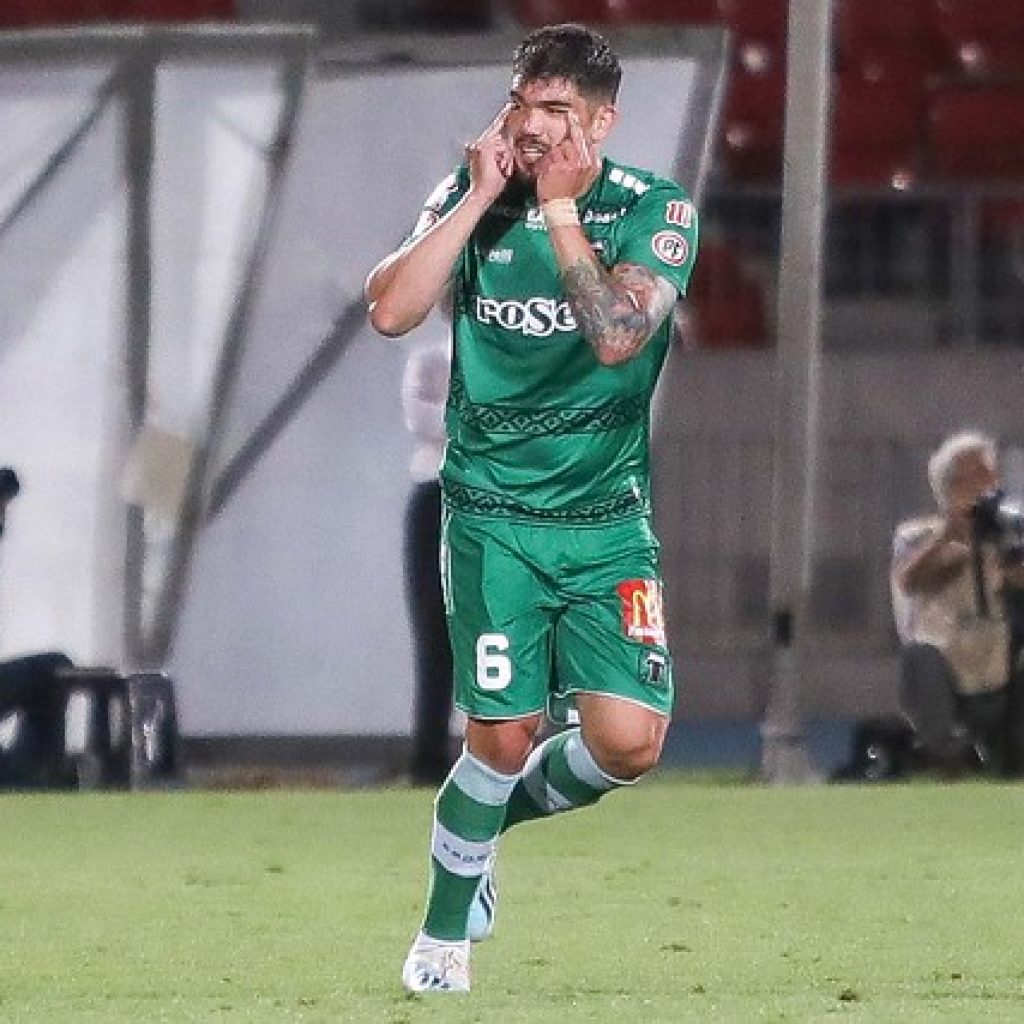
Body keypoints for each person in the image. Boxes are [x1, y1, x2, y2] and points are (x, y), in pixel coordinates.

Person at [365, 23, 699, 993]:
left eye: (556, 109)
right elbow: (390, 310)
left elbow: (617, 335)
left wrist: (558, 214)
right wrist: (477, 198)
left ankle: (475, 826)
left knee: (629, 743)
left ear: (602, 121)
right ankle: (441, 945)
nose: (533, 126)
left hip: (606, 522)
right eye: (521, 104)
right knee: (502, 735)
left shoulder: (653, 209)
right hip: (492, 515)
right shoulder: (474, 195)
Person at [891, 430, 1024, 776]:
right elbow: (909, 580)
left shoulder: (1007, 535)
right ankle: (947, 762)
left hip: (998, 668)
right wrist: (950, 535)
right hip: (947, 670)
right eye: (972, 478)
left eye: (988, 476)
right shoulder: (918, 535)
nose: (983, 487)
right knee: (920, 657)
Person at [401, 332, 455, 785]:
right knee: (434, 630)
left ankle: (504, 751)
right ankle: (429, 754)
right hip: (438, 494)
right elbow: (422, 419)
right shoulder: (431, 360)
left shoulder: (514, 358)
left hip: (494, 496)